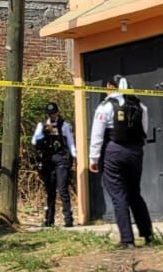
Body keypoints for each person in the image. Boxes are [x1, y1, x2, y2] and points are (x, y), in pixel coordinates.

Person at [88, 76, 155, 248]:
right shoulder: (140, 106)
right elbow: (144, 131)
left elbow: (97, 134)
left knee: (119, 196)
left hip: (114, 151)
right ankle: (147, 234)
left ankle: (127, 240)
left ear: (111, 86)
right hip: (135, 152)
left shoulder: (106, 106)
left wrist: (93, 158)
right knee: (134, 193)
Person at [32, 100, 77, 227]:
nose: (51, 116)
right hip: (47, 159)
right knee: (50, 190)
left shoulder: (64, 125)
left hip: (61, 158)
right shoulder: (42, 125)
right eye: (49, 114)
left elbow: (70, 143)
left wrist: (74, 157)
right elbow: (34, 142)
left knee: (62, 188)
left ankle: (68, 219)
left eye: (53, 113)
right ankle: (49, 220)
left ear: (57, 113)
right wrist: (43, 134)